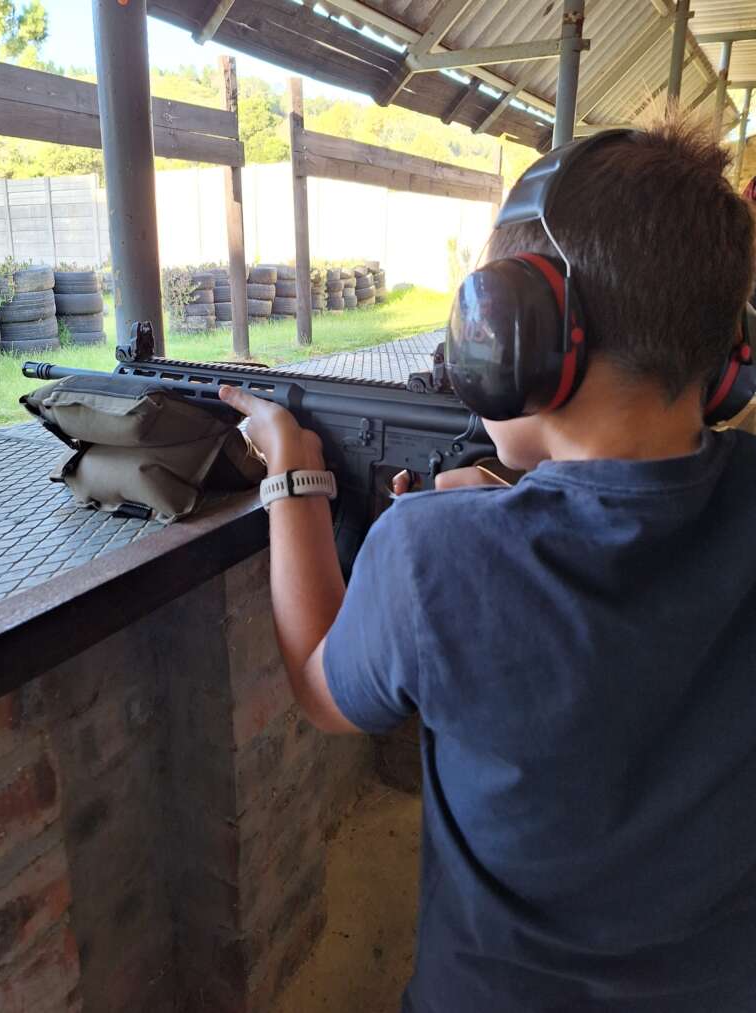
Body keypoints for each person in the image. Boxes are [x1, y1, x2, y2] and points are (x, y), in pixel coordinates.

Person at [219, 120, 756, 1012]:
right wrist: (502, 509)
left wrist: (293, 475)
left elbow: (320, 688)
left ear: (520, 332)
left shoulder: (433, 551)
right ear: (729, 353)